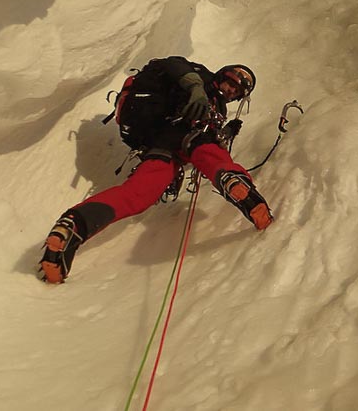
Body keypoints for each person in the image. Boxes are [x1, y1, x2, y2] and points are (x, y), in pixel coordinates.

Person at [39, 56, 273, 284]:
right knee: (211, 155)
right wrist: (196, 87)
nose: (232, 89)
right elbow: (172, 62)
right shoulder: (201, 77)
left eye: (237, 91)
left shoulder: (214, 105)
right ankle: (239, 186)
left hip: (162, 145)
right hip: (186, 139)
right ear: (221, 74)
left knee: (137, 195)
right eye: (231, 82)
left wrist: (227, 131)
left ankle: (74, 225)